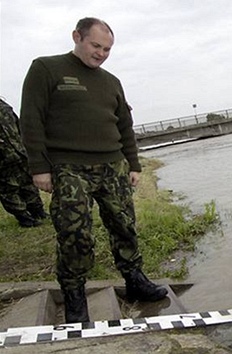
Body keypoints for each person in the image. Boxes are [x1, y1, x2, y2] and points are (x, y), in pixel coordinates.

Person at [20, 17, 167, 324]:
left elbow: (125, 126)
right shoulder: (46, 69)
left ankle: (135, 281)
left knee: (124, 226)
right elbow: (31, 120)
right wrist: (39, 168)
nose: (101, 53)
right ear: (77, 37)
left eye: (107, 49)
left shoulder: (111, 81)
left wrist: (134, 164)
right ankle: (75, 298)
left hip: (113, 164)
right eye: (95, 45)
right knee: (75, 234)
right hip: (68, 167)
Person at [0, 97, 47, 227]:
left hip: (20, 153)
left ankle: (38, 211)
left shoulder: (3, 105)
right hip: (3, 160)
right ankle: (24, 217)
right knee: (8, 189)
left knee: (28, 183)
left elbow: (18, 124)